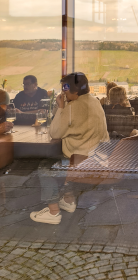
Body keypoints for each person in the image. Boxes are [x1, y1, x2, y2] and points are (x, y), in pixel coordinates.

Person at [30, 72, 109, 225]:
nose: (63, 92)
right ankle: (69, 200)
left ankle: (53, 212)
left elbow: (55, 132)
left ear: (76, 90)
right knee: (62, 159)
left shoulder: (73, 107)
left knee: (44, 167)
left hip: (80, 159)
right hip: (97, 155)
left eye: (65, 88)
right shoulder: (95, 101)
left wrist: (61, 107)